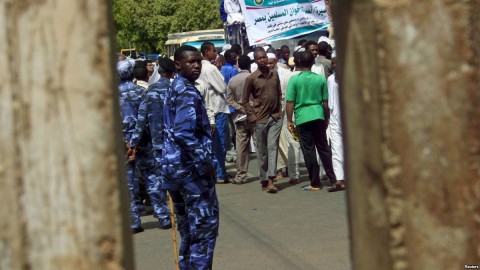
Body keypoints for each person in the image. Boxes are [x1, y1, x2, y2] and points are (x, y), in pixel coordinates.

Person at [162, 45, 219, 270]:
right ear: (177, 64)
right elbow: (183, 133)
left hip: (174, 169)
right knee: (204, 230)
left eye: (198, 61)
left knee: (187, 230)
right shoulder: (185, 90)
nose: (196, 65)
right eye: (190, 62)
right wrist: (206, 164)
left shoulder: (175, 87)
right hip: (191, 172)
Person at [128, 59, 175, 229]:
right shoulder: (177, 89)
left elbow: (141, 120)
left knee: (155, 178)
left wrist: (133, 143)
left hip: (156, 143)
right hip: (177, 142)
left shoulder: (151, 92)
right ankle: (177, 210)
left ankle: (162, 214)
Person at [286, 51, 337, 191]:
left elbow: (290, 102)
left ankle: (315, 182)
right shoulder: (320, 79)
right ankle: (333, 179)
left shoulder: (294, 80)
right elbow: (325, 102)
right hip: (318, 115)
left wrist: (289, 120)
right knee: (323, 148)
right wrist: (326, 118)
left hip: (303, 117)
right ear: (312, 62)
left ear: (299, 63)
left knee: (308, 150)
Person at [241, 47, 283, 193]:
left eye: (264, 57)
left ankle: (271, 179)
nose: (263, 60)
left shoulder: (275, 75)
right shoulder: (251, 78)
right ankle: (264, 179)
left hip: (275, 117)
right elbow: (244, 100)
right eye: (260, 58)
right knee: (262, 151)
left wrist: (279, 112)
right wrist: (252, 115)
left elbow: (279, 94)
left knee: (272, 147)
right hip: (261, 119)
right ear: (256, 60)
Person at [117, 59, 145, 233]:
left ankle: (134, 221)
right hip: (142, 140)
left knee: (127, 183)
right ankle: (163, 215)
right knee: (149, 177)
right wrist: (135, 141)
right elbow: (143, 119)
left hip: (122, 143)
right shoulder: (141, 92)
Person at [199, 41, 231, 184]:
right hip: (216, 108)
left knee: (209, 143)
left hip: (207, 108)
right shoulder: (209, 68)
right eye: (213, 50)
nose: (215, 53)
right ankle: (220, 173)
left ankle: (214, 172)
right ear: (206, 52)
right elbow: (222, 87)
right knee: (219, 143)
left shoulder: (200, 67)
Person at [227, 55, 256, 184]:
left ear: (238, 65)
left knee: (241, 148)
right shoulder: (255, 78)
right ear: (249, 65)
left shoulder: (233, 80)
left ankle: (240, 175)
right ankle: (266, 175)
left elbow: (228, 99)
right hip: (256, 116)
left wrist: (241, 108)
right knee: (260, 146)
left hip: (240, 117)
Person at [327, 53, 346, 192]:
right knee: (336, 149)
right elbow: (328, 102)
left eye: (337, 62)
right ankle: (340, 180)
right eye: (332, 63)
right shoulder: (330, 79)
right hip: (334, 118)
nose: (334, 65)